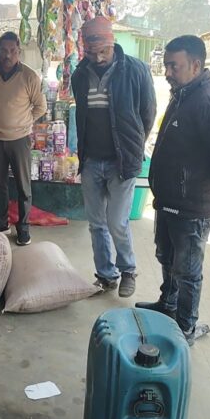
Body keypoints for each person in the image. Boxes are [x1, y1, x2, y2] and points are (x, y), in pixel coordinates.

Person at [136, 35, 210, 345]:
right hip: (170, 199)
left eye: (174, 66)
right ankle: (167, 306)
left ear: (196, 65)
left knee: (188, 269)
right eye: (166, 65)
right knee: (167, 256)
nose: (168, 72)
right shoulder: (184, 92)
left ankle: (186, 326)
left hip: (192, 204)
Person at [71, 16, 157, 298]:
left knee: (117, 222)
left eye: (103, 51)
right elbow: (82, 116)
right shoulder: (79, 75)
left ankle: (128, 270)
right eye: (91, 53)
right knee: (96, 224)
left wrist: (133, 146)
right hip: (91, 161)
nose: (98, 58)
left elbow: (148, 113)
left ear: (113, 42)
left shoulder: (135, 69)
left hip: (121, 161)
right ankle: (106, 275)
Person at [0, 31, 47, 246]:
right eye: (4, 50)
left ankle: (24, 229)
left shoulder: (30, 76)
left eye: (12, 50)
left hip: (20, 140)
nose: (8, 55)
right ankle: (1, 224)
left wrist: (24, 122)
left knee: (23, 187)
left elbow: (40, 107)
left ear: (19, 51)